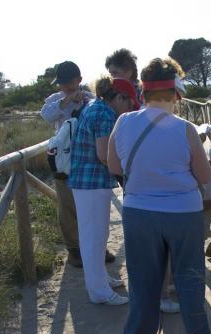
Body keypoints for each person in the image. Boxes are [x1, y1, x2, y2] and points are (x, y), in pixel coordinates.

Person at [108, 58, 211, 334]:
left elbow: (114, 166)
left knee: (143, 280)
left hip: (138, 213)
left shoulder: (124, 122)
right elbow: (204, 178)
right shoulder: (185, 129)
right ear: (176, 94)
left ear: (142, 92)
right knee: (189, 278)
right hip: (184, 214)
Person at [68, 77, 139, 305]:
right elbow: (103, 154)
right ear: (119, 97)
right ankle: (99, 292)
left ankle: (101, 280)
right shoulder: (106, 114)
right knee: (93, 237)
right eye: (128, 104)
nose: (128, 110)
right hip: (91, 182)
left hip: (88, 181)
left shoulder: (94, 106)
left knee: (98, 235)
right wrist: (127, 170)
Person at [40, 61, 116, 268]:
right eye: (61, 83)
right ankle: (74, 250)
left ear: (79, 80)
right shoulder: (55, 100)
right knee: (67, 205)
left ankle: (98, 247)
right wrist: (66, 102)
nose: (65, 86)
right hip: (64, 160)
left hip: (88, 159)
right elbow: (46, 116)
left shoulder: (91, 99)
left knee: (93, 206)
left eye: (69, 82)